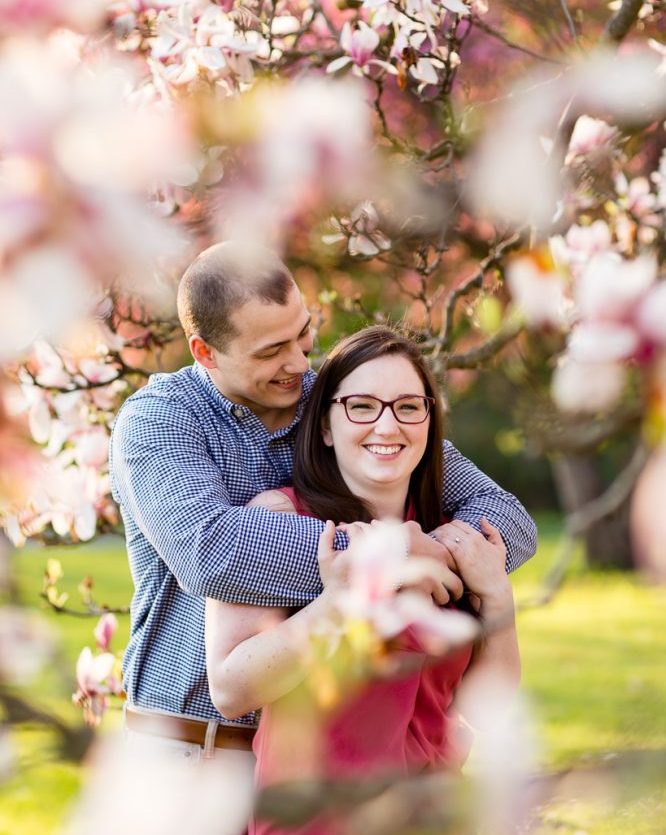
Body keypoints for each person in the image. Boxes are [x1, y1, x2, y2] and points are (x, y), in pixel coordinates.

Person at [109, 242, 535, 768]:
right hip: (190, 748)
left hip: (305, 757)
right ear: (205, 352)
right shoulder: (159, 421)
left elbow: (506, 517)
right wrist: (391, 556)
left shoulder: (337, 402)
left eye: (303, 334)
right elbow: (210, 553)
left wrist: (430, 554)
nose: (298, 362)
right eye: (270, 351)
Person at [205, 326, 521, 835]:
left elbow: (493, 702)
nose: (388, 424)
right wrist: (339, 604)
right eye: (362, 405)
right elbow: (232, 686)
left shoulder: (454, 542)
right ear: (325, 425)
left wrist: (499, 599)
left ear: (429, 423)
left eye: (409, 406)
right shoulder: (278, 521)